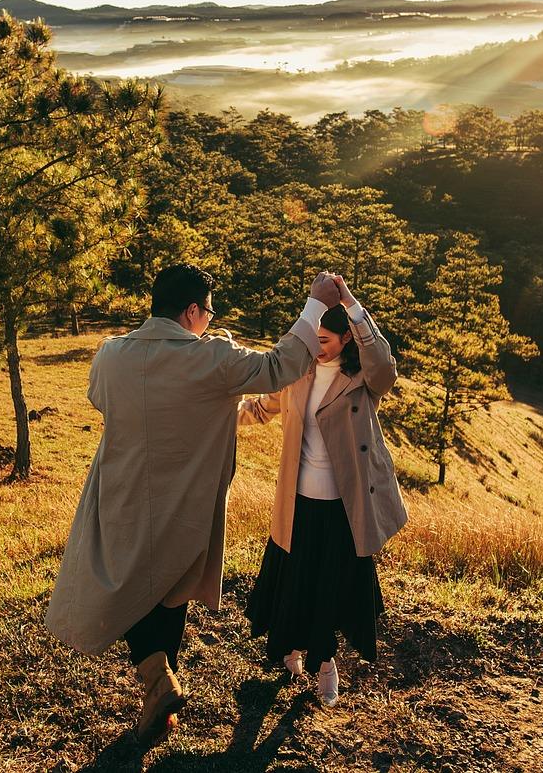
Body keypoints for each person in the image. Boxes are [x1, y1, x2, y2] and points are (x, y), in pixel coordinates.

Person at [46, 264, 342, 743]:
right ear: (190, 312)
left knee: (124, 587)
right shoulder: (213, 361)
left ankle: (158, 688)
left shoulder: (111, 356)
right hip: (184, 505)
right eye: (208, 311)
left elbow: (100, 399)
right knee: (170, 592)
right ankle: (160, 685)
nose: (210, 319)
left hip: (120, 498)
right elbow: (279, 367)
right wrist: (315, 303)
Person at [238, 275, 408, 706]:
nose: (317, 345)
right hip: (296, 501)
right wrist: (218, 414)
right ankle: (293, 648)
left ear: (347, 337)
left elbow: (385, 369)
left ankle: (326, 663)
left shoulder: (363, 380)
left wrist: (352, 304)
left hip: (343, 506)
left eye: (326, 339)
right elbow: (263, 408)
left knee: (329, 587)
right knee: (296, 582)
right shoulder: (300, 372)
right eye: (312, 338)